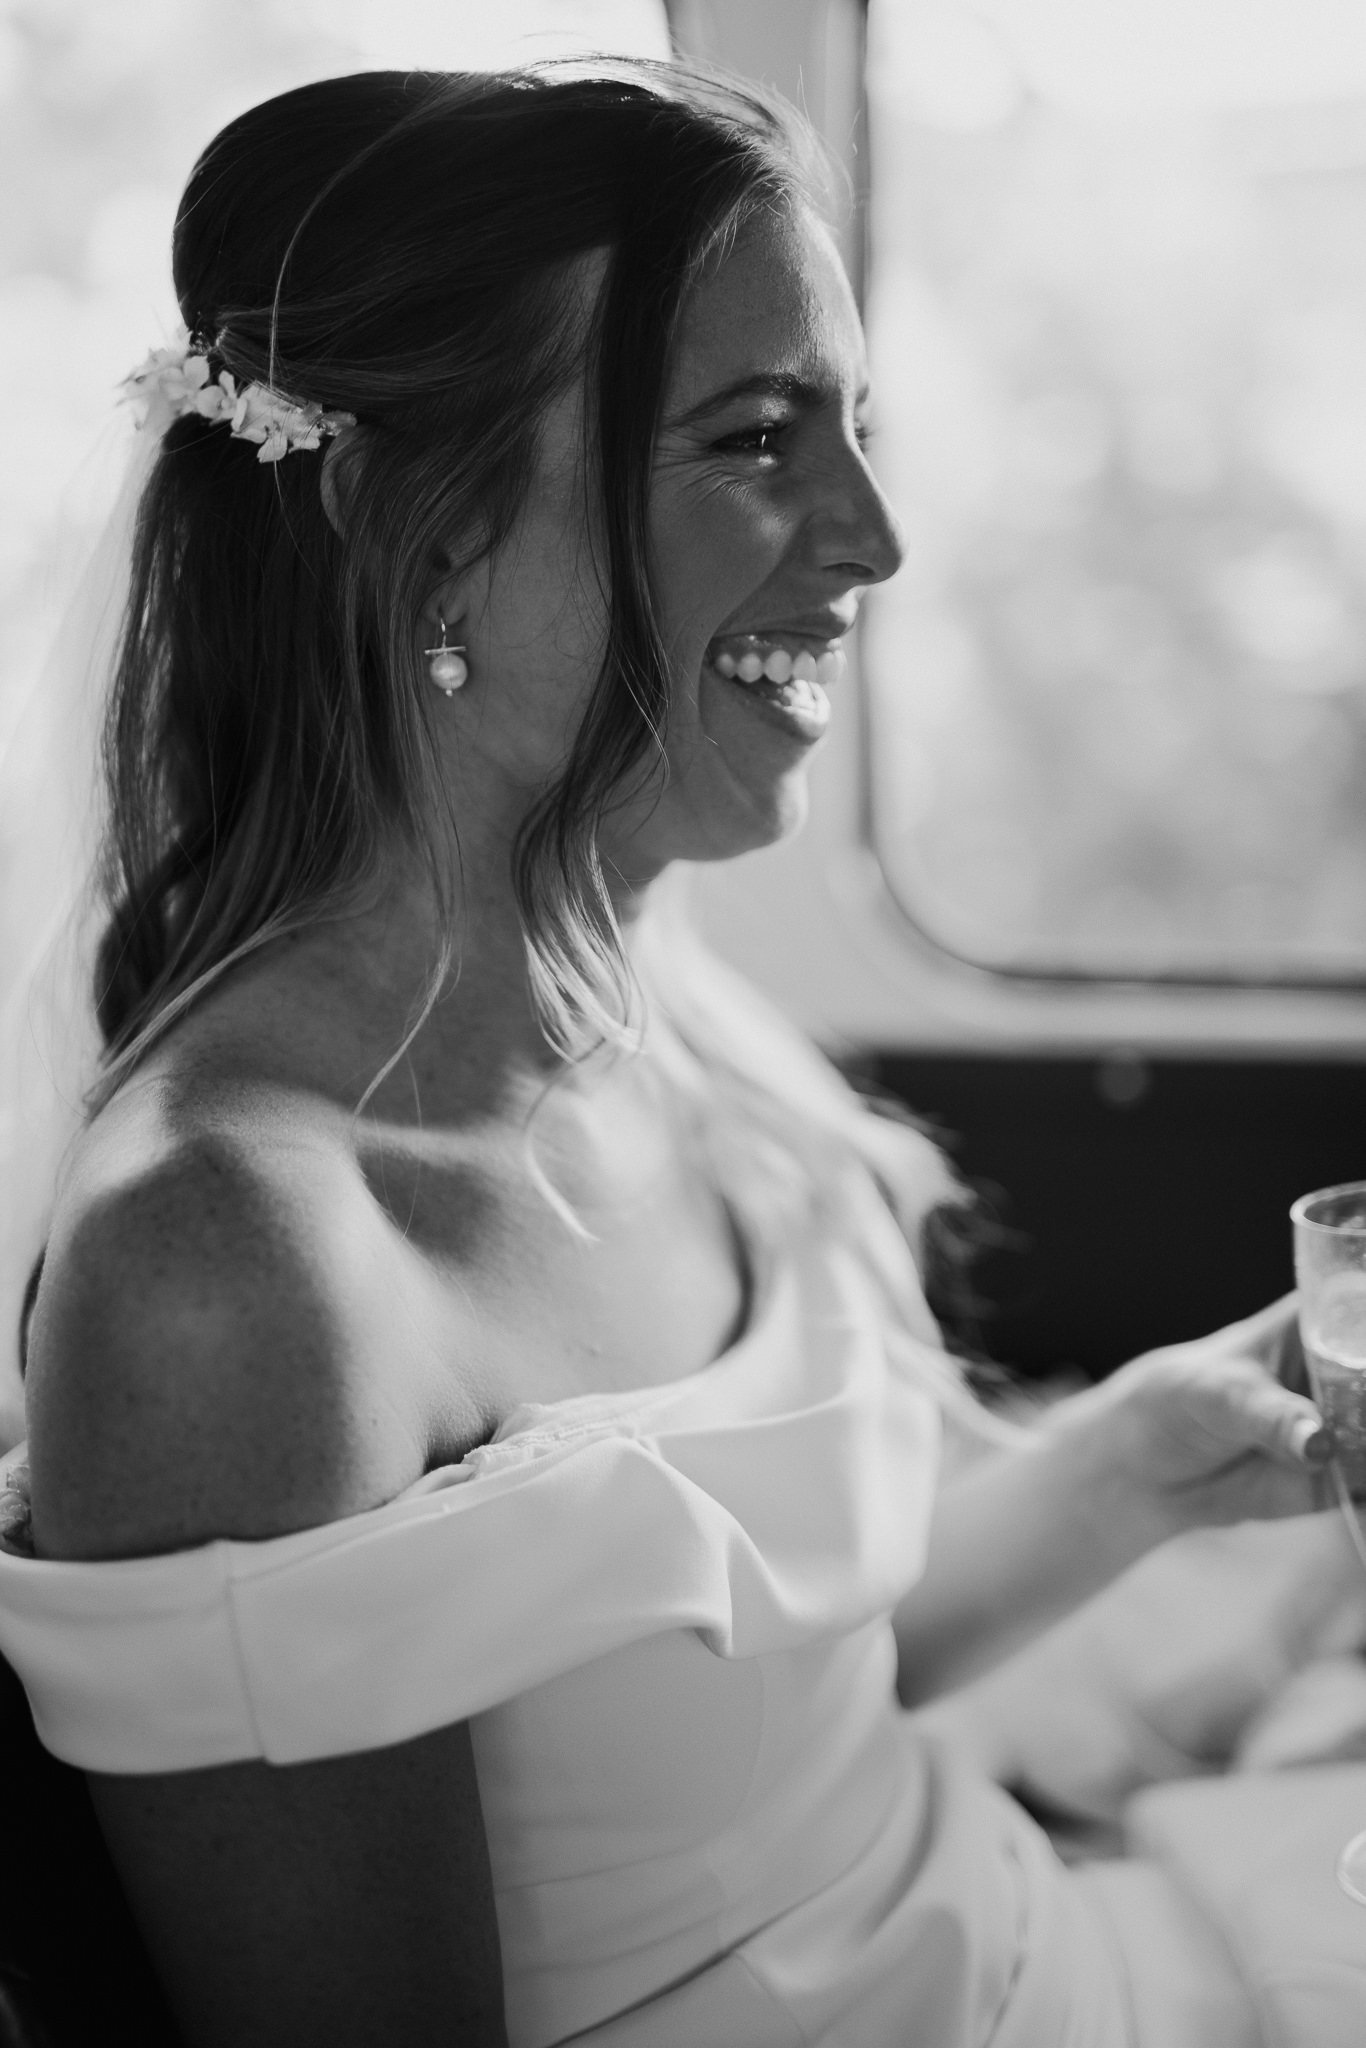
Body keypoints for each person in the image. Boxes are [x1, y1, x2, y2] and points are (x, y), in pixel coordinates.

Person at [0, 59, 1353, 2048]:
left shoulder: (639, 993)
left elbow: (797, 1681)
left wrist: (1151, 1452)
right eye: (752, 441)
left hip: (1023, 1944)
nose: (872, 537)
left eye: (857, 428)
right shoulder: (233, 1271)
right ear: (424, 535)